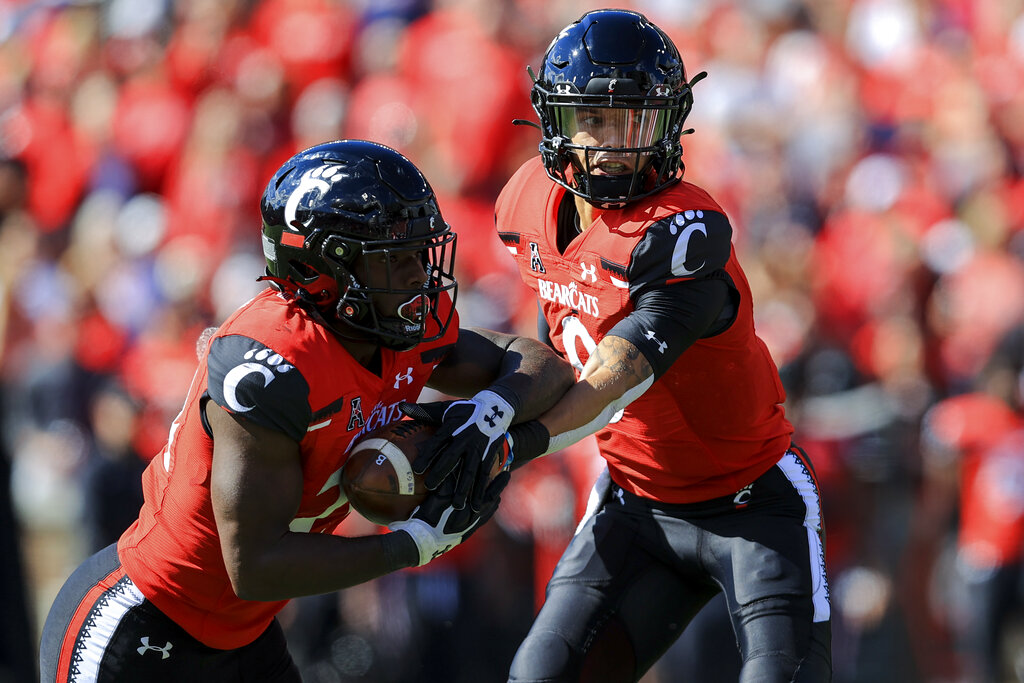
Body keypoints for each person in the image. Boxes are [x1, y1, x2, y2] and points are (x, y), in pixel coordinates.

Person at [38, 139, 575, 681]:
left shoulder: (399, 324)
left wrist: (489, 411)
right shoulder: (272, 364)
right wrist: (412, 546)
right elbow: (254, 565)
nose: (419, 274)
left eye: (419, 251)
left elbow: (538, 363)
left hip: (244, 638)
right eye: (396, 257)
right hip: (143, 625)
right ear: (324, 270)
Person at [409, 10, 832, 681]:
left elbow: (616, 376)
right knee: (540, 675)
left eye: (631, 121)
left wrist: (512, 441)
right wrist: (457, 387)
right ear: (556, 123)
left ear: (666, 125)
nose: (612, 144)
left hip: (753, 503)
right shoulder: (526, 205)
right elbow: (554, 348)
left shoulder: (683, 229)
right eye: (594, 121)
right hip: (635, 499)